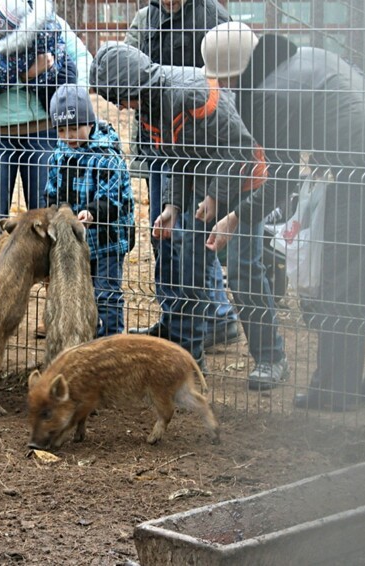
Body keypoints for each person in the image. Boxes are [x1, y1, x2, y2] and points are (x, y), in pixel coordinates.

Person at [201, 22, 365, 410]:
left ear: (232, 72)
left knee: (344, 282)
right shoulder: (306, 56)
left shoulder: (264, 95)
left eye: (222, 79)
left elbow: (281, 175)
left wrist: (236, 218)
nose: (221, 88)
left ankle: (334, 390)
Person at [89, 42, 288, 381]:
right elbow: (176, 159)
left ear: (133, 85)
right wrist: (172, 206)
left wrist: (215, 196)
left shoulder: (193, 94)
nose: (120, 107)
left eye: (119, 97)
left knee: (243, 271)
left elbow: (242, 149)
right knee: (190, 272)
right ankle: (192, 362)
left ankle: (272, 357)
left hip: (244, 183)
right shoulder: (150, 105)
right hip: (204, 186)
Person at [123, 0, 238, 350]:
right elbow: (126, 71)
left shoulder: (213, 16)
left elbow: (230, 78)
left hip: (202, 143)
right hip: (157, 140)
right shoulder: (145, 19)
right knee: (166, 233)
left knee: (197, 236)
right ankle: (178, 317)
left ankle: (215, 317)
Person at [0, 0, 91, 259]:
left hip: (41, 130)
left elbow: (82, 58)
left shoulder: (40, 10)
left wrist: (70, 96)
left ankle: (52, 287)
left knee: (46, 217)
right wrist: (34, 70)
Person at [43, 85, 134, 336]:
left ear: (90, 122)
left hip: (106, 241)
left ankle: (113, 342)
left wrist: (91, 213)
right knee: (81, 294)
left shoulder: (107, 156)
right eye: (61, 129)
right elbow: (53, 194)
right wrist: (59, 211)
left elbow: (114, 200)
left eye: (75, 127)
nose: (69, 135)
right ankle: (89, 342)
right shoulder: (58, 156)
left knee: (106, 294)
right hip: (75, 242)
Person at [0, 0, 77, 115]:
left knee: (65, 119)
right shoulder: (44, 27)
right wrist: (29, 75)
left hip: (56, 92)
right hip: (67, 74)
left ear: (6, 33)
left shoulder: (13, 57)